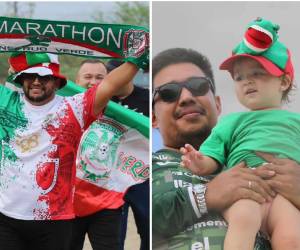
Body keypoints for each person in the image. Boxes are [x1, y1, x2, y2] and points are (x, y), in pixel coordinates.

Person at [152, 47, 300, 249]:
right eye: (168, 92)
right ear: (152, 117)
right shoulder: (145, 168)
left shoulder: (252, 152)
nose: (186, 97)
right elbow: (142, 218)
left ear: (218, 104)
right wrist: (206, 195)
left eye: (198, 86)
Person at [0, 51, 142, 250]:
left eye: (44, 77)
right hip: (6, 219)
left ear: (57, 83)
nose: (36, 82)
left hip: (54, 221)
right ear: (21, 78)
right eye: (31, 76)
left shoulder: (74, 108)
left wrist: (137, 59)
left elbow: (110, 84)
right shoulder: (5, 101)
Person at [71, 59, 149, 250]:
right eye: (87, 76)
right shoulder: (76, 101)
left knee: (148, 227)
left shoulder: (147, 98)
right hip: (89, 184)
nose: (93, 81)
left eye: (99, 77)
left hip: (136, 177)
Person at [106, 59, 150, 250]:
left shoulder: (147, 98)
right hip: (111, 177)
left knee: (149, 229)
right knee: (114, 234)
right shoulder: (103, 98)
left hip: (142, 176)